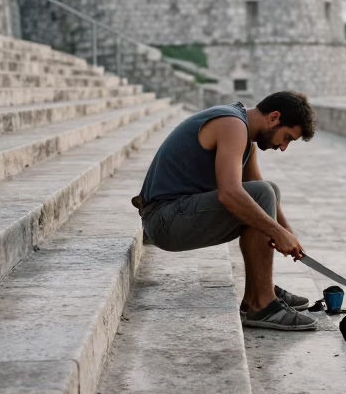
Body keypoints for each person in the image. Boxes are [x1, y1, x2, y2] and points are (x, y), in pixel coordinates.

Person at [133, 91, 318, 330]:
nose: (283, 147)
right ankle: (263, 305)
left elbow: (264, 192)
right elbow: (230, 193)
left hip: (174, 215)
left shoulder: (243, 134)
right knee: (260, 194)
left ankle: (259, 294)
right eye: (287, 138)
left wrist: (288, 234)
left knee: (268, 190)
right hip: (164, 220)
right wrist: (277, 232)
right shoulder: (232, 125)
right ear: (274, 117)